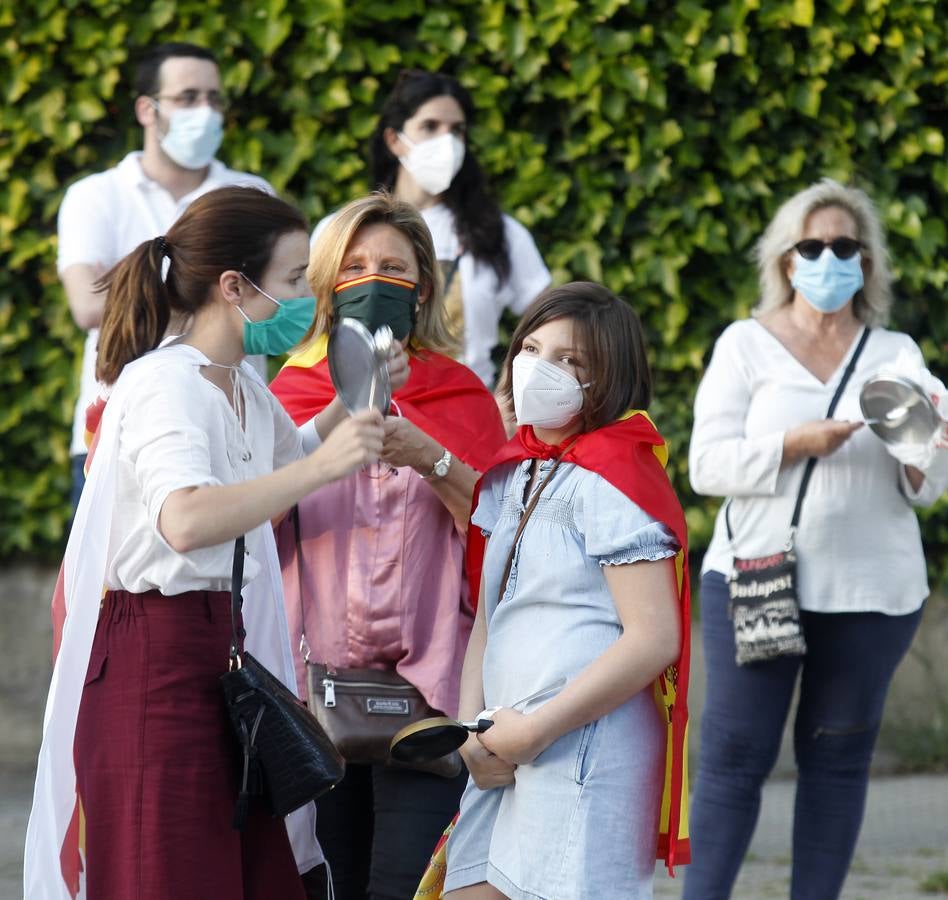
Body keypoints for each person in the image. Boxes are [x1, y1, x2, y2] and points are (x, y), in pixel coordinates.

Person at [24, 186, 386, 900]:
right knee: (172, 876)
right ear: (234, 287)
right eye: (291, 282)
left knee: (246, 875)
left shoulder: (241, 383)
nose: (303, 303)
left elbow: (280, 469)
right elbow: (185, 519)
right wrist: (321, 465)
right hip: (152, 662)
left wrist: (357, 396)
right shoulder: (168, 384)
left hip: (221, 657)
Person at [684, 178, 948, 900]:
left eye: (844, 247)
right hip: (758, 578)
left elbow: (928, 485)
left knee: (837, 760)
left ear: (866, 262)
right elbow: (706, 466)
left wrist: (924, 448)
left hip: (871, 591)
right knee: (736, 758)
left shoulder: (896, 352)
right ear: (786, 259)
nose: (828, 258)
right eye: (813, 245)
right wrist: (793, 443)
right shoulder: (746, 344)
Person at [269, 192, 508, 900]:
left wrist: (430, 457)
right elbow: (255, 523)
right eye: (355, 267)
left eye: (393, 267)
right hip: (314, 699)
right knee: (326, 882)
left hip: (430, 699)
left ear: (424, 287)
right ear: (327, 285)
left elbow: (501, 534)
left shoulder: (461, 394)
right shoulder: (292, 391)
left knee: (406, 885)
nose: (373, 281)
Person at [442, 282, 691, 900]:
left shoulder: (615, 474)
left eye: (569, 360)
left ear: (608, 378)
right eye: (530, 348)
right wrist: (472, 730)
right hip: (502, 751)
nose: (539, 368)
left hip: (583, 751)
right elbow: (486, 619)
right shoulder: (512, 471)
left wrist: (537, 730)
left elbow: (654, 635)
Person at [58, 41, 273, 511]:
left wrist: (139, 287)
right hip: (118, 430)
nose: (206, 111)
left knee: (243, 585)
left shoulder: (251, 194)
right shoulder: (96, 196)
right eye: (189, 97)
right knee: (107, 586)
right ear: (146, 109)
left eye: (214, 99)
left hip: (238, 432)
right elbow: (88, 306)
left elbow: (273, 307)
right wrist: (219, 300)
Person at [314, 69, 551, 388]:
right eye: (430, 127)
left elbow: (550, 322)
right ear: (394, 139)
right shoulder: (341, 231)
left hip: (465, 416)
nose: (446, 141)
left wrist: (507, 396)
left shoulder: (500, 233)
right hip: (358, 408)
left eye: (457, 130)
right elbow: (313, 330)